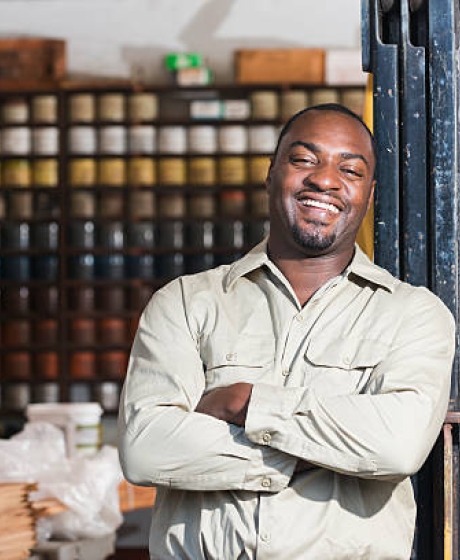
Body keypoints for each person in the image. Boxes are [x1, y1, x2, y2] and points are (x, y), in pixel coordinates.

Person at [118, 104, 455, 560]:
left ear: (368, 194)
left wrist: (245, 402)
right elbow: (146, 450)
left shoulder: (412, 314)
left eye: (350, 169)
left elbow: (397, 447)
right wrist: (318, 453)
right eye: (304, 160)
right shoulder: (185, 302)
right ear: (271, 174)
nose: (325, 180)